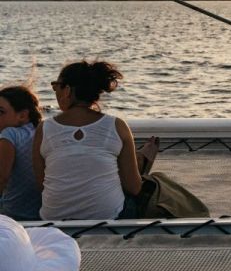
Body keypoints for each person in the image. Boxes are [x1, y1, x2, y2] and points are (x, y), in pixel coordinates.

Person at [32, 60, 157, 220]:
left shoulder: (44, 129)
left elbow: (42, 185)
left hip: (54, 218)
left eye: (56, 86)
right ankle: (142, 162)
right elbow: (133, 188)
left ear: (67, 90)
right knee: (147, 186)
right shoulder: (117, 126)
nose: (55, 92)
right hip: (107, 219)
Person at [0, 86, 43, 221]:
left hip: (15, 214)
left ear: (23, 115)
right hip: (41, 211)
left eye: (0, 112)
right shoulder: (43, 132)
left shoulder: (10, 134)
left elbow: (2, 178)